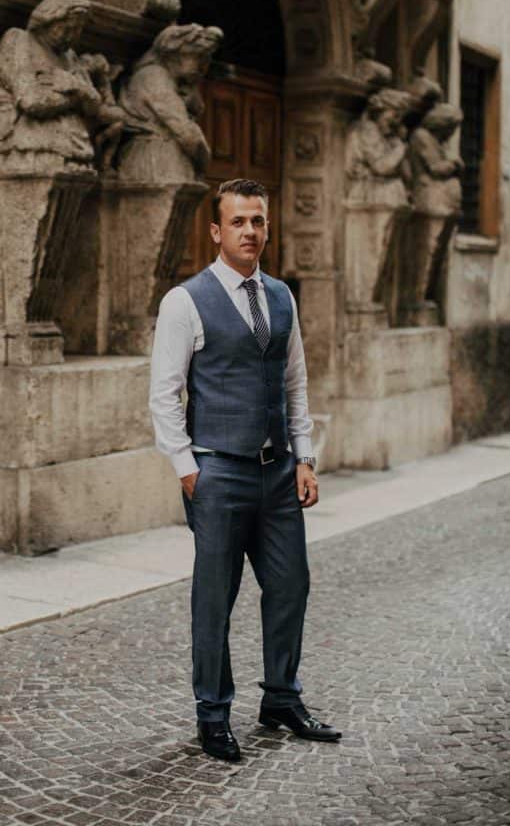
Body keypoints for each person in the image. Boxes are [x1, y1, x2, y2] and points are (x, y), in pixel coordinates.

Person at [149, 178, 341, 762]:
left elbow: (294, 383)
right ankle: (213, 713)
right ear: (216, 230)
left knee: (290, 586)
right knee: (215, 598)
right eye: (238, 222)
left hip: (279, 471)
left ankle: (280, 698)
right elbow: (165, 394)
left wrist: (305, 457)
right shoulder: (185, 301)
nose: (251, 232)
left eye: (258, 221)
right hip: (218, 473)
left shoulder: (281, 296)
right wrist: (188, 469)